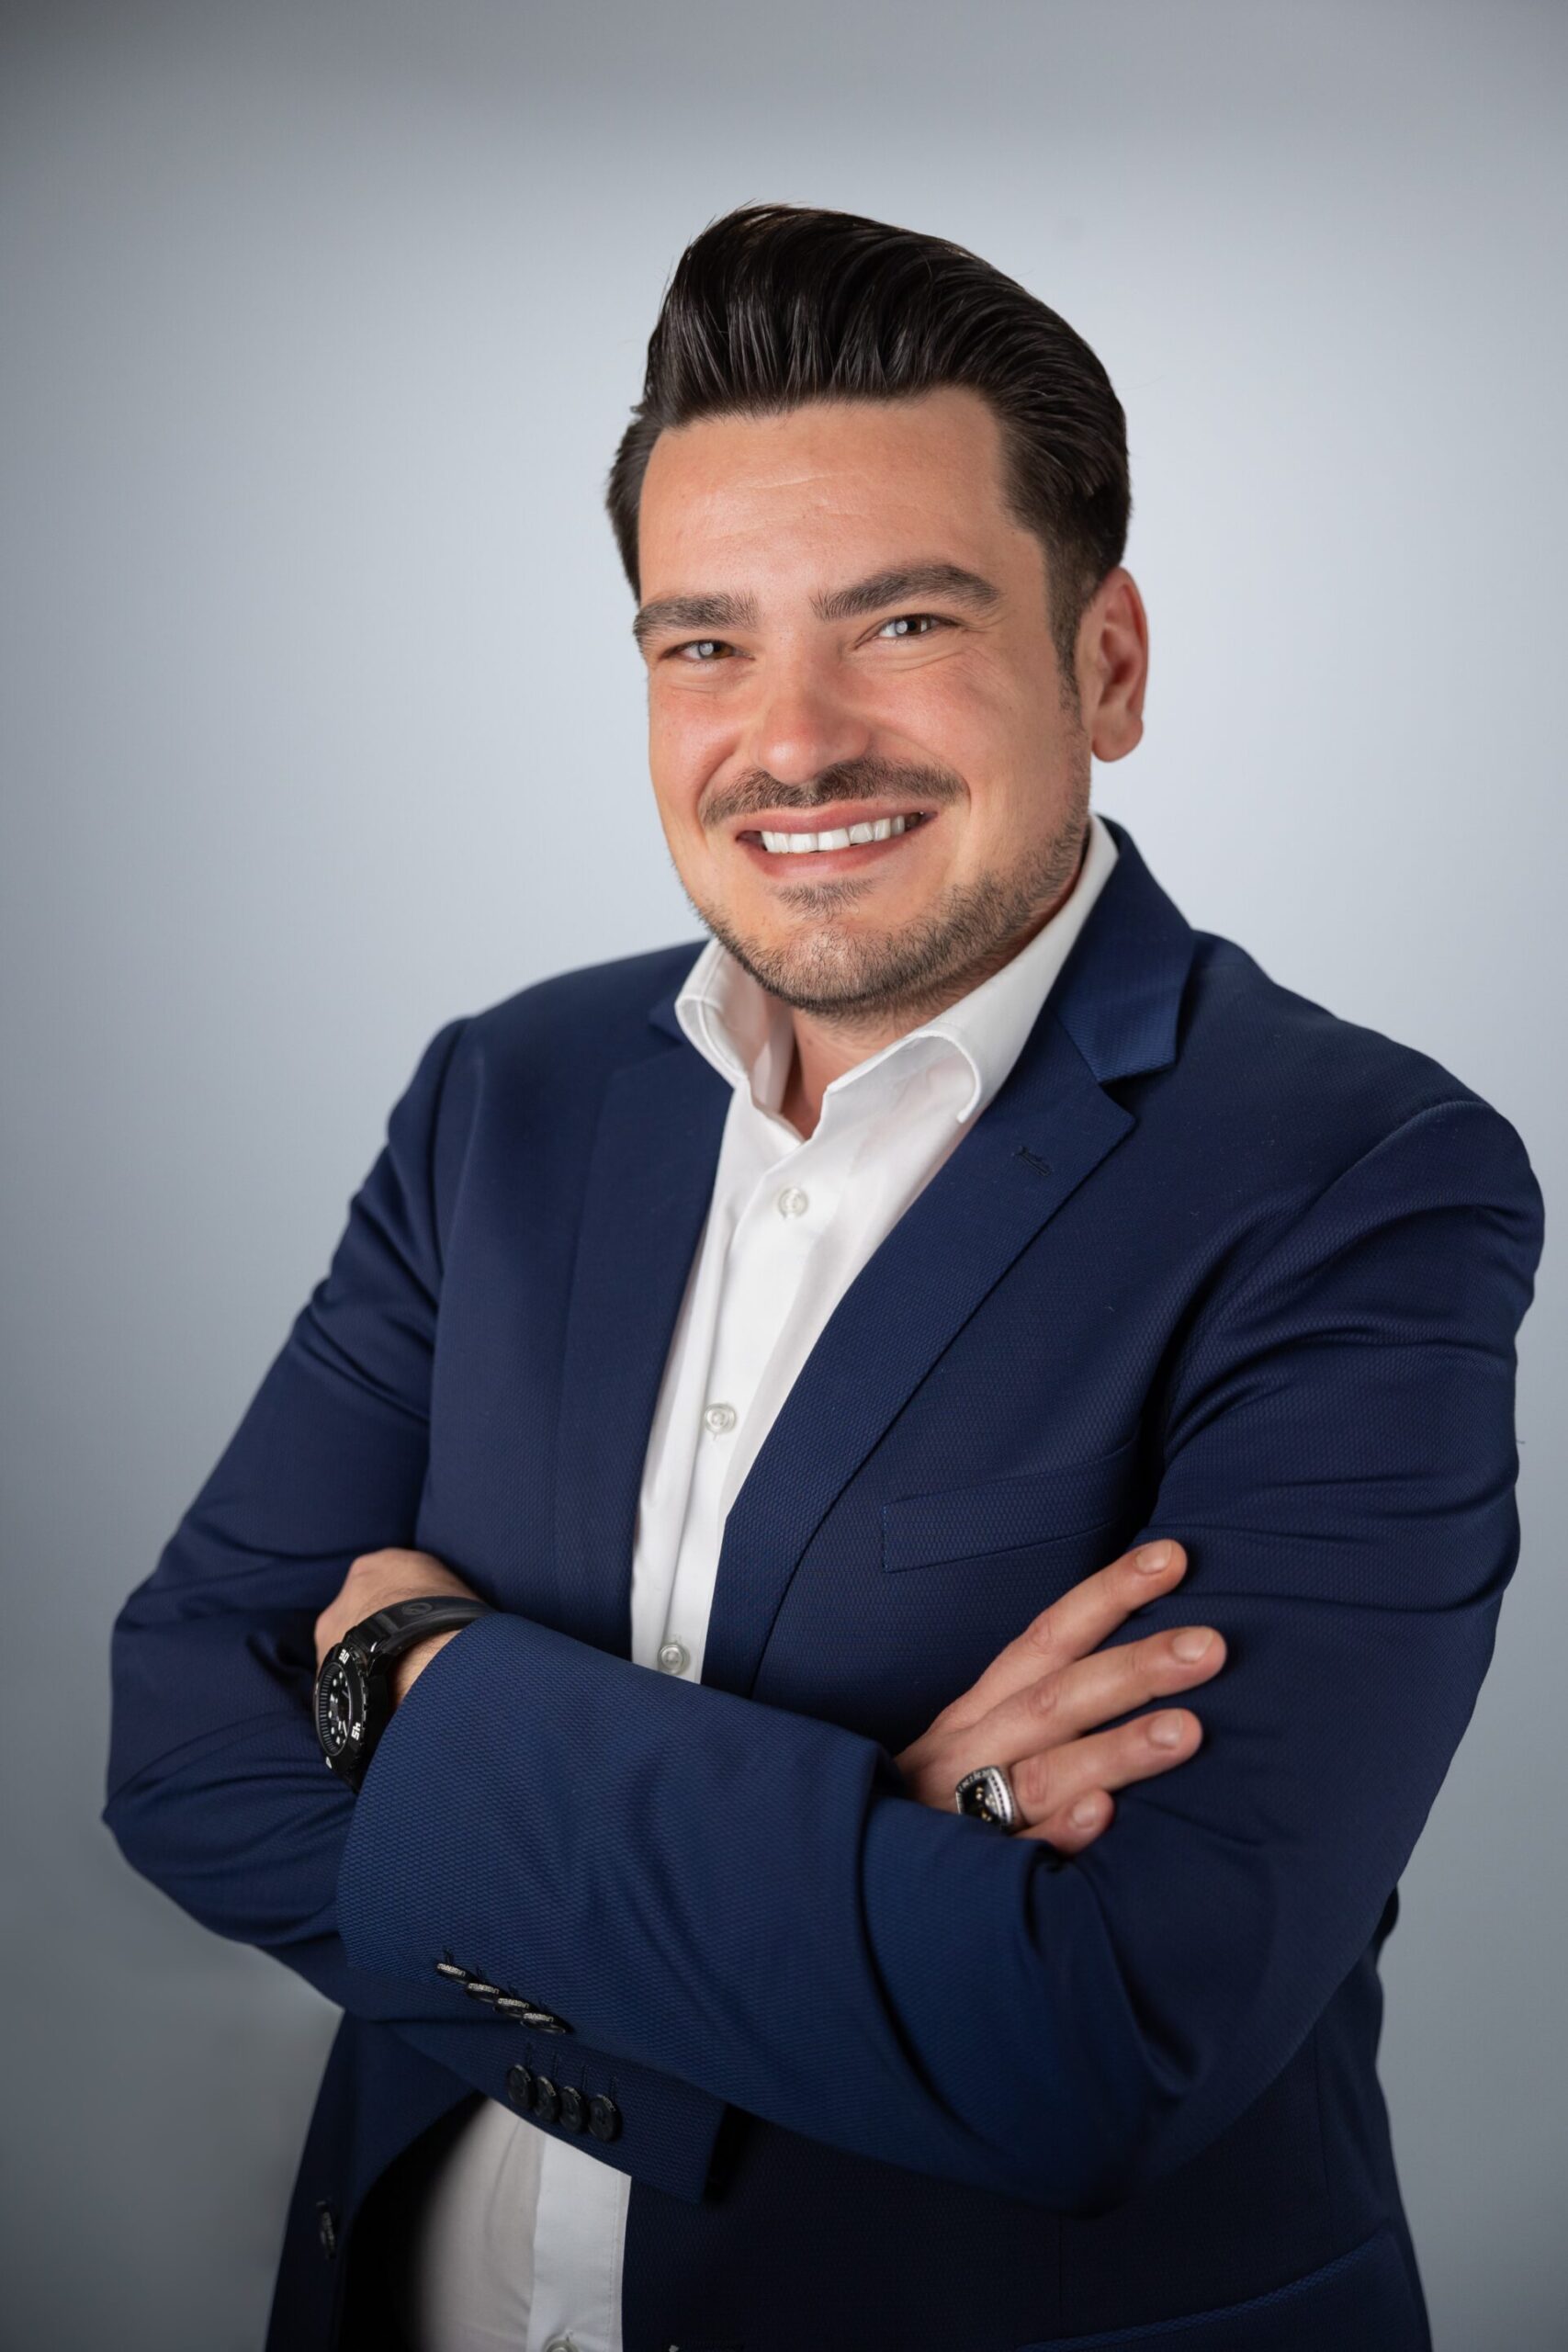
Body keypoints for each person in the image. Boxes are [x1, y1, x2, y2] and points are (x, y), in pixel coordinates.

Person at [104, 203, 1544, 2352]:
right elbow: (180, 1740)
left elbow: (1102, 2034)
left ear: (1105, 661)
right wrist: (881, 1825)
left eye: (901, 622)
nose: (787, 741)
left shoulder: (1355, 1177)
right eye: (703, 644)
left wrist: (423, 1688)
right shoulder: (508, 1095)